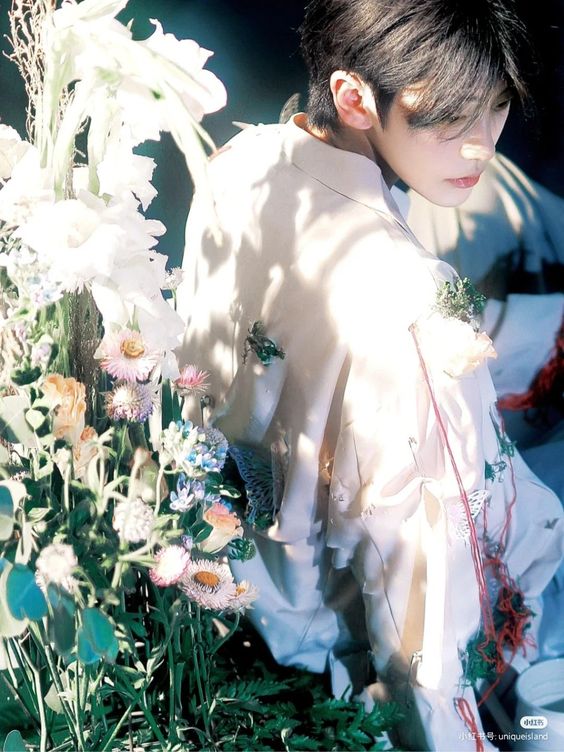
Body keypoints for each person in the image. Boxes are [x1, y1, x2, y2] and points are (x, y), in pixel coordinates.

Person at [176, 1, 564, 748]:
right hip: (337, 650)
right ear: (355, 97)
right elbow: (421, 597)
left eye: (496, 108)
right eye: (446, 119)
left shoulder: (242, 163)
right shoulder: (411, 308)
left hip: (235, 576)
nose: (480, 147)